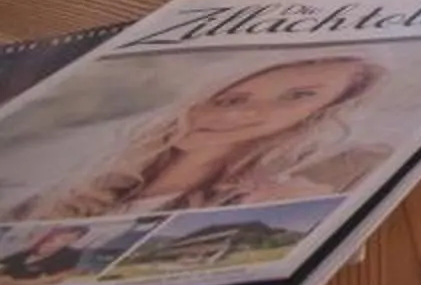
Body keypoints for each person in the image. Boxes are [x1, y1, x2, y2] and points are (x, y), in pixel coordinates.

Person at [16, 57, 383, 220]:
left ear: (324, 115)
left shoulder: (305, 187)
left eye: (298, 96)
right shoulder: (71, 187)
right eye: (231, 98)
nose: (238, 115)